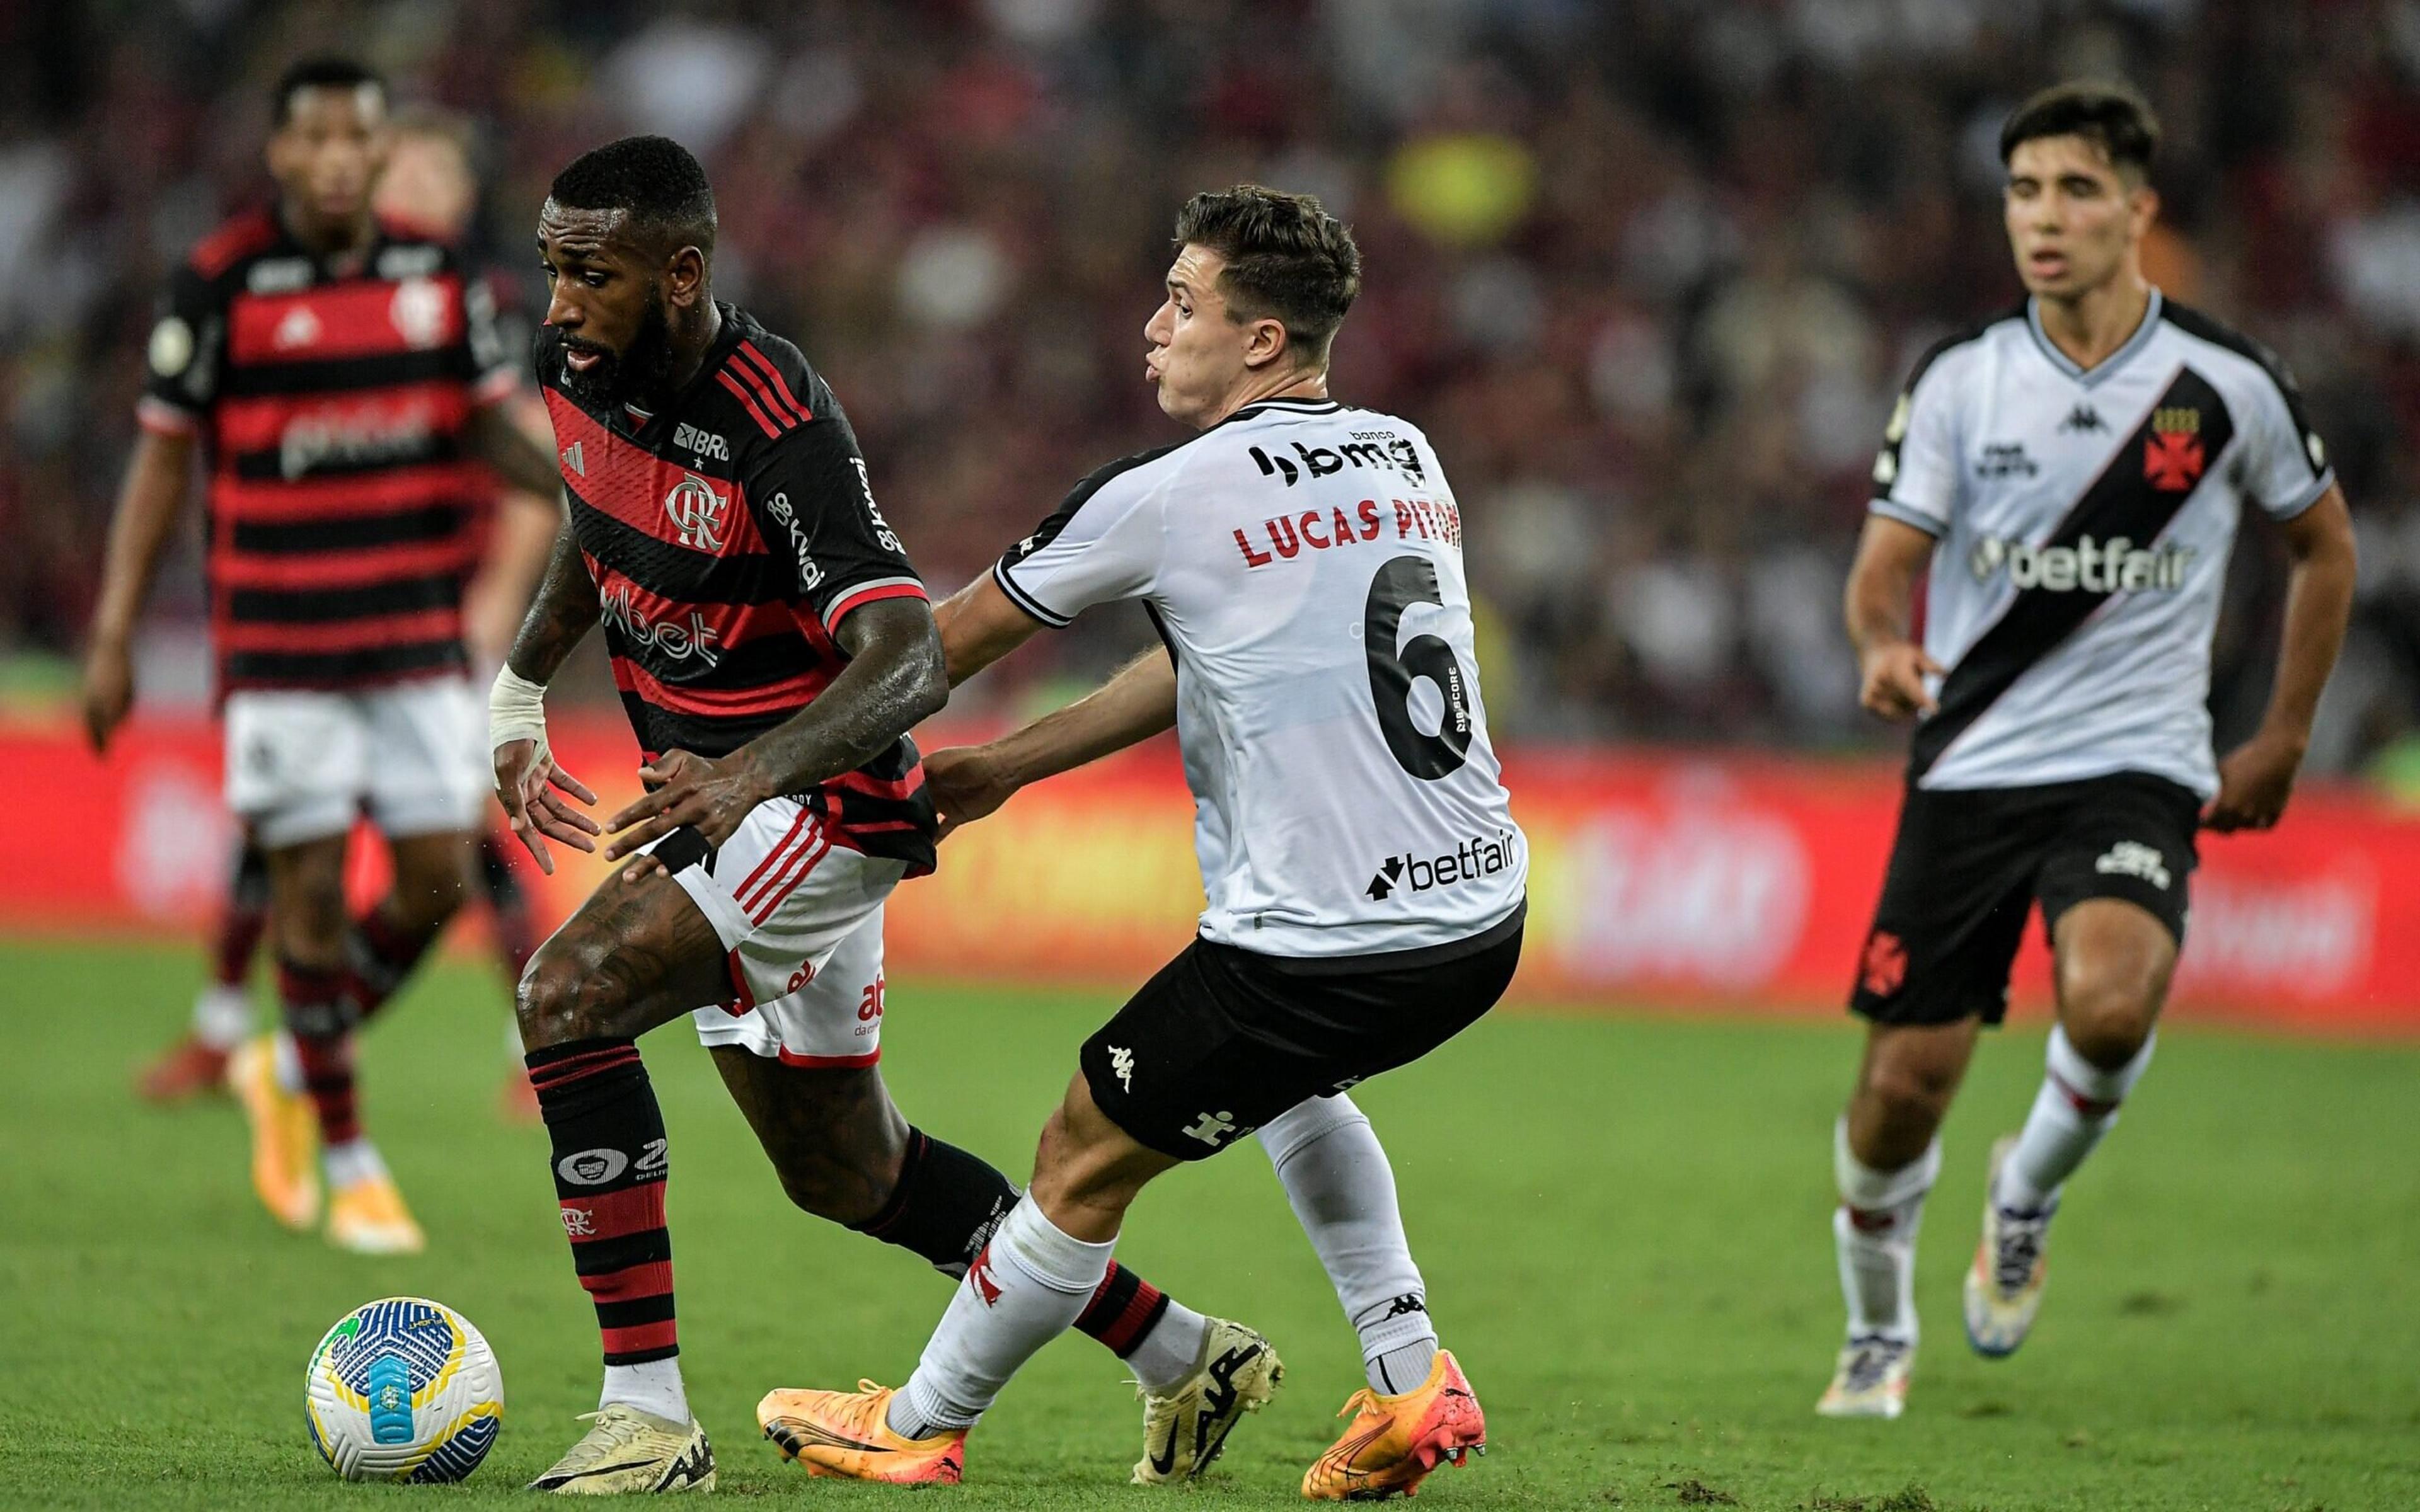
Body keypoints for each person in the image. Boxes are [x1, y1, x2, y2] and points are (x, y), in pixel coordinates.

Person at [492, 135, 1254, 1496]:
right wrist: (515, 691)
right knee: (848, 1174)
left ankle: (648, 1419)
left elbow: (904, 659)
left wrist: (743, 777)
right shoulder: (578, 370)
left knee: (567, 996)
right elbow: (593, 514)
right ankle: (1183, 1353)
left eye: (587, 274)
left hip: (820, 808)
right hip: (721, 813)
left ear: (682, 275)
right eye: (551, 267)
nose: (557, 304)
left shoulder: (778, 423)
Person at [756, 185, 1523, 1499]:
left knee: (1078, 1152)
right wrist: (1002, 770)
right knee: (1296, 1087)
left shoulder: (1168, 496)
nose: (1153, 324)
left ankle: (924, 1423)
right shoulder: (1404, 452)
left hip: (1317, 943)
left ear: (1265, 339)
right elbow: (1201, 660)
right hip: (1480, 917)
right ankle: (1411, 1384)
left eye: (1185, 300)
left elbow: (934, 650)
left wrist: (760, 745)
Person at [1817, 81, 2358, 1419]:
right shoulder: (1962, 378)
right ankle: (1878, 1334)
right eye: (2022, 192)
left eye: (2072, 190)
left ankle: (2027, 1187)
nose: (2042, 219)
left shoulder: (2221, 385)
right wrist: (1881, 649)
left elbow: (2324, 545)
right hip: (1972, 764)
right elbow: (1884, 571)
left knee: (2113, 1002)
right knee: (1900, 1091)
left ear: (2135, 208)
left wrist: (2283, 735)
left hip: (2137, 762)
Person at [82, 57, 565, 1253]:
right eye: (321, 138)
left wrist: (591, 508)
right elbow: (160, 461)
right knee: (301, 890)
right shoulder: (221, 282)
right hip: (282, 646)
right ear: (283, 153)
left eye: (364, 135)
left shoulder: (440, 279)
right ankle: (346, 1151)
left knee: (434, 876)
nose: (343, 157)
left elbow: (491, 437)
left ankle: (289, 1057)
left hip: (409, 640)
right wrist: (112, 627)